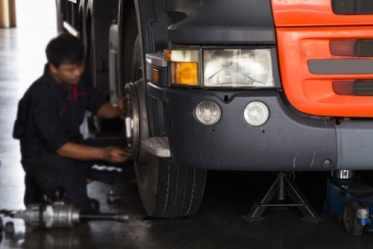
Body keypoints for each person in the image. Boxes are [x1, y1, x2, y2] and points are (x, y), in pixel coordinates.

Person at [12, 32, 131, 212]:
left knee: (128, 149)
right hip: (42, 156)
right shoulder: (41, 99)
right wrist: (104, 154)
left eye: (80, 66)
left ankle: (77, 172)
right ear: (53, 67)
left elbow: (99, 106)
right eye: (70, 69)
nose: (77, 72)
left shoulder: (78, 80)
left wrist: (118, 109)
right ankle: (37, 183)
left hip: (72, 144)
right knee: (79, 209)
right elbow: (61, 147)